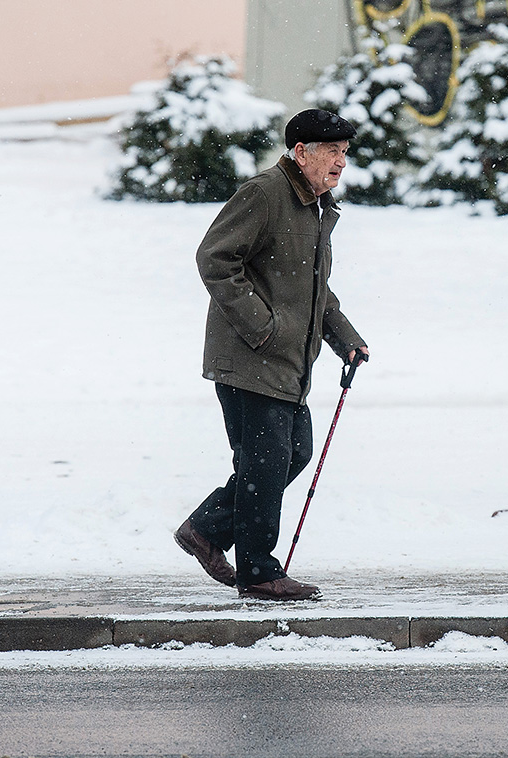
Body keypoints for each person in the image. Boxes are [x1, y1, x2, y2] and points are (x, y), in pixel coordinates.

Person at [174, 109, 369, 601]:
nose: (340, 164)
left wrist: (343, 336)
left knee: (291, 453)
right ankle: (258, 570)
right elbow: (215, 258)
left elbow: (313, 288)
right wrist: (262, 327)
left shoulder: (315, 206)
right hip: (250, 357)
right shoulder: (266, 194)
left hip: (285, 362)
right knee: (264, 463)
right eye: (331, 153)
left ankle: (207, 529)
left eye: (344, 154)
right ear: (300, 152)